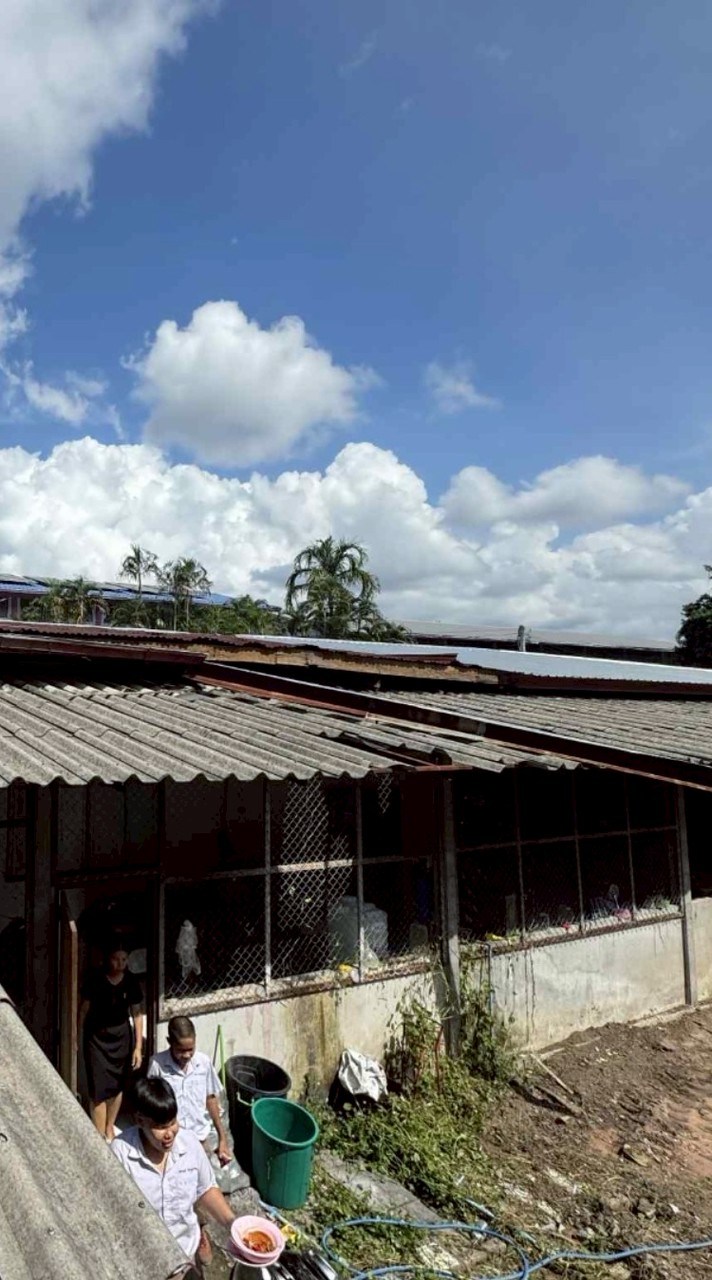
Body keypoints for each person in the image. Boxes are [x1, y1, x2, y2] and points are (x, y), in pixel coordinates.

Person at [112, 1078, 235, 1274]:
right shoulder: (120, 1154)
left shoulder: (190, 1144)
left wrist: (233, 1224)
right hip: (145, 1263)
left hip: (185, 1255)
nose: (169, 1133)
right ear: (140, 1121)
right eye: (161, 1127)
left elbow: (206, 1188)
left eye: (172, 1123)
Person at [78, 941, 144, 1140]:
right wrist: (76, 1036)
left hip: (121, 1038)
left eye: (124, 959)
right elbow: (84, 1009)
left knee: (117, 1086)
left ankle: (109, 1128)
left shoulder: (131, 981)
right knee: (98, 1089)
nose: (120, 963)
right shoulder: (95, 979)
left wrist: (138, 1047)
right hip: (96, 1038)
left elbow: (137, 1014)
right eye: (116, 958)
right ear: (107, 958)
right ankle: (99, 1136)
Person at [148, 1015, 231, 1165]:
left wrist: (222, 1138)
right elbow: (151, 1105)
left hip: (199, 1138)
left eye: (190, 1049)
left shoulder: (203, 1063)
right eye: (181, 1050)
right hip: (171, 1141)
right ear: (169, 1042)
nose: (187, 1055)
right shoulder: (157, 1065)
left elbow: (210, 1099)